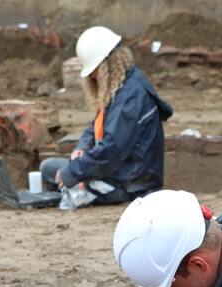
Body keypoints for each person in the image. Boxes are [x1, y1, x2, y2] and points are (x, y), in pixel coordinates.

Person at [39, 26, 173, 205]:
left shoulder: (131, 98)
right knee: (50, 168)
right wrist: (82, 147)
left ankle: (83, 189)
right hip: (119, 173)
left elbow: (111, 151)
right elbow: (96, 124)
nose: (93, 78)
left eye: (94, 72)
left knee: (57, 172)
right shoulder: (124, 87)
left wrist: (74, 172)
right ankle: (80, 188)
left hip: (129, 185)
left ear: (107, 66)